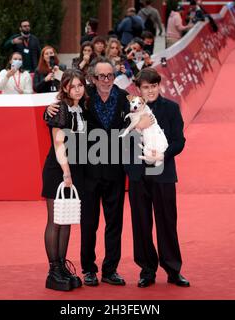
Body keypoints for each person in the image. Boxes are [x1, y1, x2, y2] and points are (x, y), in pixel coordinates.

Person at [46, 57, 154, 287]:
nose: (106, 80)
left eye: (110, 75)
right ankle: (88, 269)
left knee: (114, 222)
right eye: (101, 76)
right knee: (89, 222)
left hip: (116, 170)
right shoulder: (85, 98)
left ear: (115, 76)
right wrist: (49, 109)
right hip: (87, 171)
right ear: (93, 78)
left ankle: (110, 270)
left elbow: (143, 116)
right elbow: (63, 109)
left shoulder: (126, 98)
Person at [123, 67, 190, 288]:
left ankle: (173, 269)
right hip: (138, 174)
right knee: (141, 223)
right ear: (138, 89)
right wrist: (135, 129)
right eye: (146, 87)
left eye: (153, 86)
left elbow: (179, 141)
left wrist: (163, 154)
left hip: (163, 172)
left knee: (167, 222)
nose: (150, 91)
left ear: (158, 86)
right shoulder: (130, 110)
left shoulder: (170, 108)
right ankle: (147, 270)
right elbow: (120, 141)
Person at [42, 69, 88, 291]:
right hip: (58, 169)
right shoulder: (60, 108)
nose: (78, 89)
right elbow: (58, 143)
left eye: (81, 85)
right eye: (73, 86)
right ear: (65, 88)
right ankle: (53, 271)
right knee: (55, 220)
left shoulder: (80, 107)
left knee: (67, 219)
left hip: (75, 169)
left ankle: (61, 266)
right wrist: (66, 172)